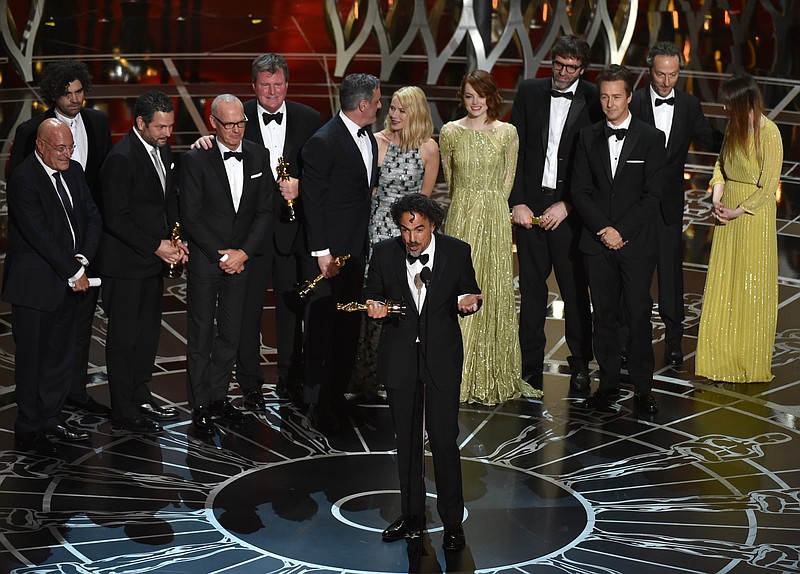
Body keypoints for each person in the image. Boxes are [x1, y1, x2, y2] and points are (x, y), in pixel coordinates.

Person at [193, 54, 323, 410]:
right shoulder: (236, 114)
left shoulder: (310, 120)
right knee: (245, 314)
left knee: (290, 310)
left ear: (287, 84)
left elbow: (325, 171)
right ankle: (250, 382)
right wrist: (204, 143)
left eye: (278, 84)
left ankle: (289, 379)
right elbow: (217, 145)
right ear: (253, 86)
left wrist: (302, 186)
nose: (272, 92)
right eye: (265, 85)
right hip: (250, 235)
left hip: (294, 233)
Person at [364, 193, 481, 551]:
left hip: (442, 359)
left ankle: (451, 523)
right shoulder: (384, 252)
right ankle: (412, 516)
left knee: (444, 442)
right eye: (405, 230)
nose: (412, 238)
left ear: (432, 225)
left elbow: (471, 291)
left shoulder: (457, 251)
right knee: (408, 444)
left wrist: (468, 302)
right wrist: (375, 306)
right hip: (400, 359)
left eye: (418, 229)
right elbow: (372, 293)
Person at [8, 60, 113, 416]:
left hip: (82, 254)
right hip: (42, 269)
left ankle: (69, 400)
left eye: (79, 91)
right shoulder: (29, 139)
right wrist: (69, 266)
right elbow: (32, 215)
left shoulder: (94, 129)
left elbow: (97, 197)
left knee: (73, 339)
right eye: (67, 93)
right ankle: (36, 420)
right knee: (38, 353)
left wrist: (83, 257)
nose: (74, 99)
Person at [440, 69, 541, 404]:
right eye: (468, 96)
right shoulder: (450, 132)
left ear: (491, 97)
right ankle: (458, 370)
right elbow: (450, 179)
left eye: (480, 96)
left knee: (491, 287)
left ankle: (491, 370)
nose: (474, 102)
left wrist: (490, 206)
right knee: (457, 286)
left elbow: (508, 180)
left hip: (495, 216)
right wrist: (468, 204)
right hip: (461, 215)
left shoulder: (507, 133)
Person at [2, 119, 102, 454]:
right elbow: (39, 235)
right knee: (33, 360)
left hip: (71, 280)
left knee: (61, 358)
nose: (67, 153)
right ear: (40, 146)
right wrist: (74, 271)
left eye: (70, 147)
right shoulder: (23, 179)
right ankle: (29, 427)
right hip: (35, 288)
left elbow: (92, 215)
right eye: (60, 147)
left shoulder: (73, 171)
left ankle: (52, 418)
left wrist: (84, 258)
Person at [571, 65, 666, 414]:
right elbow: (579, 192)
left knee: (638, 314)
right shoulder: (586, 137)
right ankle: (608, 383)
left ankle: (643, 387)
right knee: (604, 316)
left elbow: (653, 195)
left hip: (636, 244)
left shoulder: (652, 138)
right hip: (597, 244)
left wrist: (621, 232)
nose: (610, 103)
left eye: (616, 96)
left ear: (629, 97)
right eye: (604, 97)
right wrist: (604, 231)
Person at [509, 35, 601, 392]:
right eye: (558, 64)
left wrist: (569, 205)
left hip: (570, 212)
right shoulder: (529, 91)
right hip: (529, 207)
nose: (563, 73)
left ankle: (580, 365)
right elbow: (514, 150)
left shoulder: (595, 99)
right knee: (531, 293)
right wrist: (517, 201)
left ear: (583, 69)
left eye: (571, 68)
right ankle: (529, 366)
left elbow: (595, 164)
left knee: (575, 292)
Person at [180, 94, 275, 436]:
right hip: (208, 261)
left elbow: (266, 210)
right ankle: (201, 405)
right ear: (213, 123)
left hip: (241, 262)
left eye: (241, 123)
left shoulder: (258, 154)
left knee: (231, 335)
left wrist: (243, 253)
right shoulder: (195, 159)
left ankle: (219, 397)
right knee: (201, 336)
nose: (236, 130)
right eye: (229, 124)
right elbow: (190, 217)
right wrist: (223, 255)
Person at [94, 90, 188, 434]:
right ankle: (124, 408)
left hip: (151, 264)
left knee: (147, 336)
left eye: (170, 126)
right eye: (161, 127)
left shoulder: (163, 150)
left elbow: (167, 202)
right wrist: (156, 246)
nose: (167, 133)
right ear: (140, 123)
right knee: (124, 339)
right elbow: (116, 218)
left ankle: (141, 395)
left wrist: (176, 240)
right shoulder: (121, 159)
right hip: (124, 266)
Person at [300, 73, 381, 433]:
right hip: (328, 256)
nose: (380, 105)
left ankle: (337, 398)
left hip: (355, 251)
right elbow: (312, 203)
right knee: (322, 330)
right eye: (377, 100)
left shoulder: (370, 141)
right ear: (363, 104)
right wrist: (322, 253)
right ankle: (317, 405)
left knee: (347, 326)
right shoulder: (323, 142)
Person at [629, 41, 717, 367]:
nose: (667, 82)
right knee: (634, 274)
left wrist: (747, 136)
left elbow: (710, 139)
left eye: (673, 74)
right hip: (634, 205)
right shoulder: (633, 101)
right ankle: (630, 339)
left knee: (671, 275)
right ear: (649, 70)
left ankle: (674, 340)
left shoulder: (690, 105)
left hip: (669, 205)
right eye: (661, 74)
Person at [352, 85, 440, 396]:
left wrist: (414, 233)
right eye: (392, 108)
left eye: (402, 110)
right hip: (377, 230)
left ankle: (403, 369)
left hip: (409, 233)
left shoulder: (429, 148)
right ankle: (368, 374)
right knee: (375, 297)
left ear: (415, 113)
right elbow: (367, 189)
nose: (394, 114)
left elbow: (426, 199)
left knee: (405, 299)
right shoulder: (377, 142)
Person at [695, 73, 782, 383]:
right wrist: (717, 199)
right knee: (725, 284)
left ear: (745, 101)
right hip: (727, 216)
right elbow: (721, 165)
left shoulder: (769, 133)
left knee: (750, 286)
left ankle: (747, 360)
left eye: (729, 102)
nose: (724, 107)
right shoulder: (733, 125)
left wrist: (737, 210)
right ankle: (720, 358)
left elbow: (769, 185)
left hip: (753, 219)